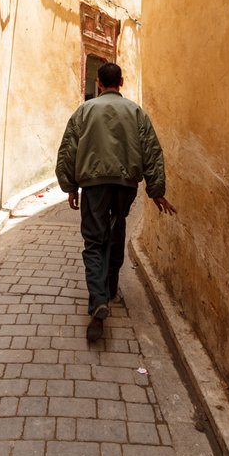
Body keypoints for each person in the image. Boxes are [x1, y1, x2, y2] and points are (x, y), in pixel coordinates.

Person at [56, 62, 176, 341]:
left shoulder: (84, 111)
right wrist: (156, 189)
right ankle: (109, 287)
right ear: (121, 82)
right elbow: (151, 150)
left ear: (99, 82)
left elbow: (68, 149)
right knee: (116, 227)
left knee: (94, 240)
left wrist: (70, 186)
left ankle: (99, 298)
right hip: (125, 185)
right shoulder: (136, 112)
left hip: (94, 185)